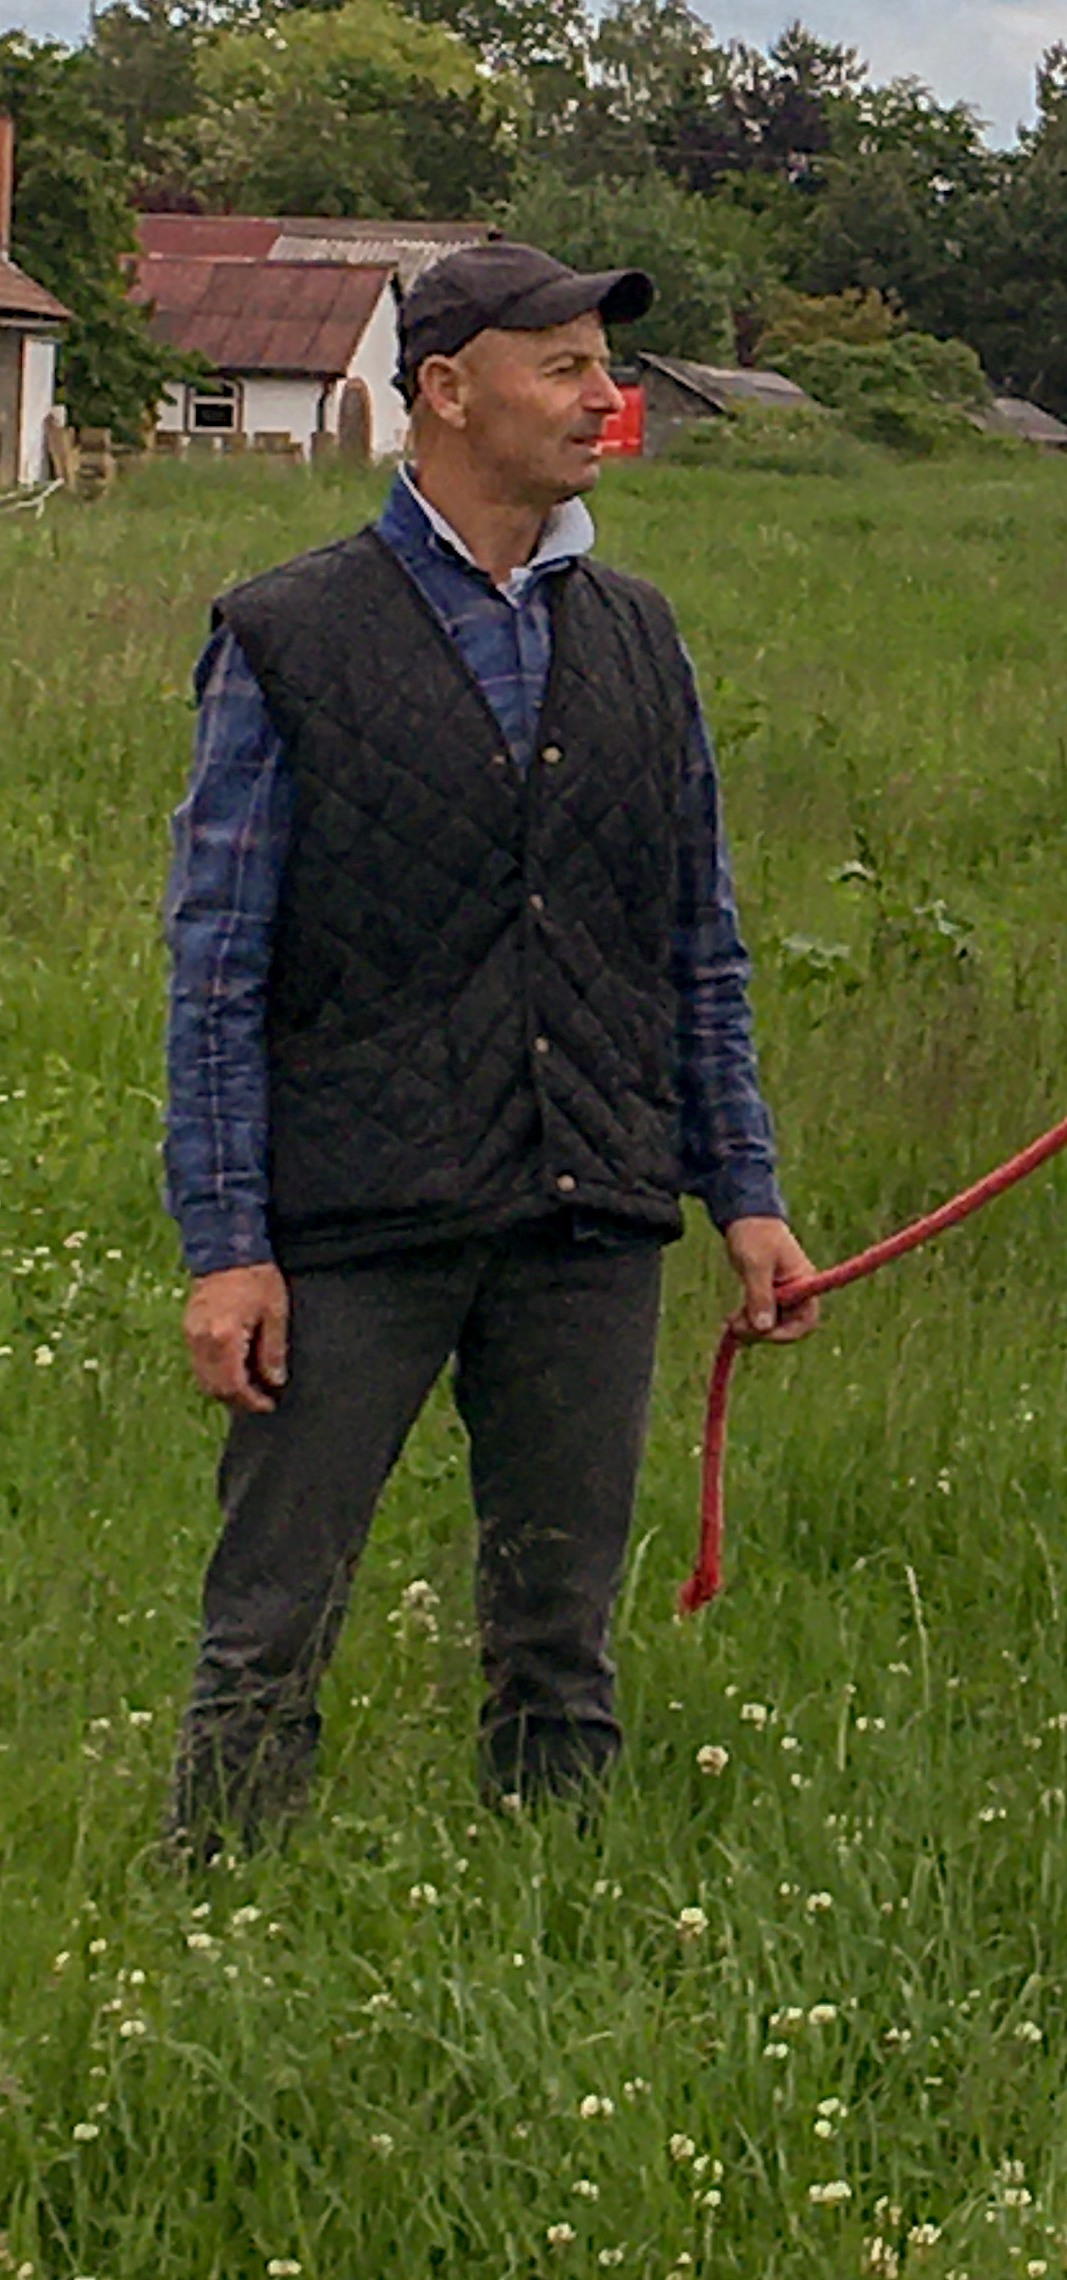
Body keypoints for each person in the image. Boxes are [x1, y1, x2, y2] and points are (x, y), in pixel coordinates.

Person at [160, 242, 820, 1854]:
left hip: (587, 1210)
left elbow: (694, 944)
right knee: (268, 1631)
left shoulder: (640, 639)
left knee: (559, 1638)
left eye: (607, 364)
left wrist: (742, 1189)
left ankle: (555, 1938)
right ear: (443, 392)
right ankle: (218, 1936)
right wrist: (229, 1243)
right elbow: (218, 964)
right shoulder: (286, 636)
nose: (608, 396)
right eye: (566, 365)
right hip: (355, 1220)